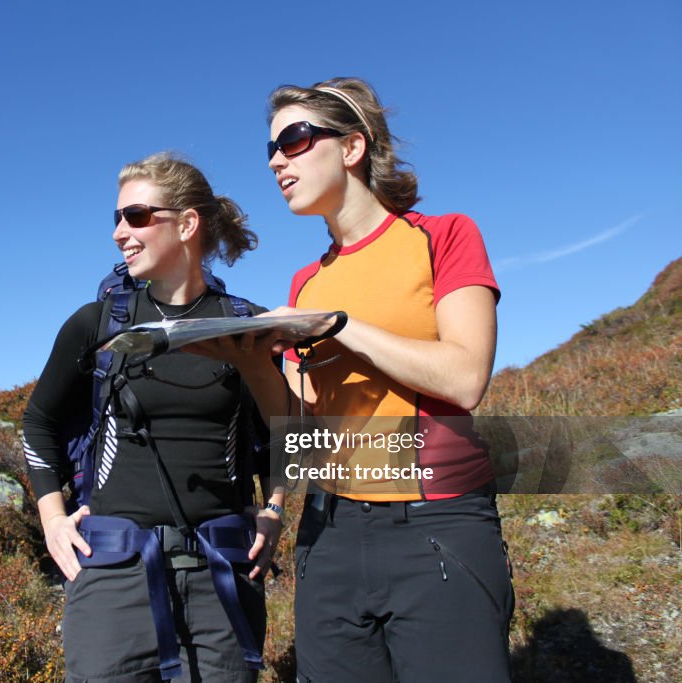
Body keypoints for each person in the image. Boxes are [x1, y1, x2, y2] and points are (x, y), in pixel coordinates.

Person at [206, 77, 514, 682]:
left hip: (436, 522)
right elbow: (303, 434)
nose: (275, 161)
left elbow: (465, 376)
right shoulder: (304, 285)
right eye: (270, 149)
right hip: (331, 530)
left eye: (293, 140)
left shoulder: (444, 236)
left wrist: (340, 326)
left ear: (351, 147)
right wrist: (250, 363)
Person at [21, 152, 284, 683]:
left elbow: (292, 429)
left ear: (187, 223)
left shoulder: (249, 325)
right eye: (117, 218)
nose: (120, 233)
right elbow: (38, 423)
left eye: (136, 216)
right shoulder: (97, 323)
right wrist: (52, 520)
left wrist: (274, 508)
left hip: (224, 577)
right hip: (113, 578)